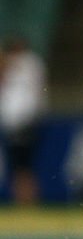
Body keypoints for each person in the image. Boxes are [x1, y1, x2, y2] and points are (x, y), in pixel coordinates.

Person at [0, 37, 46, 206]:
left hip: (24, 120)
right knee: (20, 166)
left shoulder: (29, 63)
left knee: (23, 166)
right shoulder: (26, 63)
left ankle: (26, 201)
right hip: (16, 121)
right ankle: (23, 200)